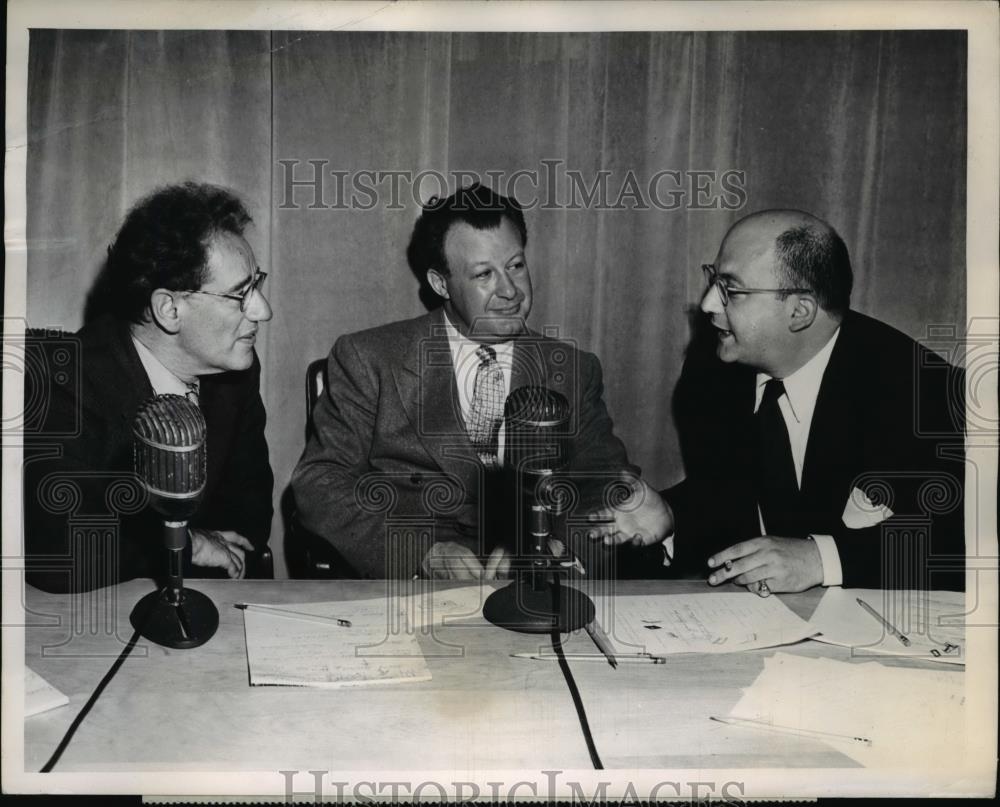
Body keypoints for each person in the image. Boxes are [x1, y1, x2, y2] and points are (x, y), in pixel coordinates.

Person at [591, 209, 965, 593]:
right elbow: (727, 494)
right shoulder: (712, 370)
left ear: (799, 311)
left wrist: (822, 559)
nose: (707, 305)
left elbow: (960, 542)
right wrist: (672, 514)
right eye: (712, 280)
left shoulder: (923, 392)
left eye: (731, 291)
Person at [291, 183, 640, 579]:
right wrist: (421, 553)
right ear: (441, 284)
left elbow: (606, 482)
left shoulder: (574, 370)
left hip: (535, 583)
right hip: (414, 587)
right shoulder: (370, 359)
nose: (510, 291)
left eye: (516, 265)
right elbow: (320, 484)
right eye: (484, 274)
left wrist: (553, 548)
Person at [24, 182, 275, 593]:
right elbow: (56, 548)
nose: (263, 310)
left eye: (256, 285)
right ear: (169, 309)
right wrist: (184, 543)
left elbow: (247, 521)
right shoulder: (63, 380)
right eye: (239, 294)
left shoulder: (235, 373)